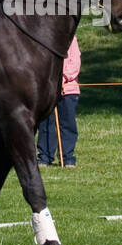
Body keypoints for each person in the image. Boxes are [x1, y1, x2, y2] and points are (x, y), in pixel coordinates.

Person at [37, 35, 81, 166]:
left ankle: (67, 157)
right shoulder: (45, 38)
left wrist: (62, 78)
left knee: (67, 124)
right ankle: (45, 156)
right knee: (45, 124)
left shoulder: (71, 39)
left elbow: (75, 63)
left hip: (68, 90)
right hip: (48, 90)